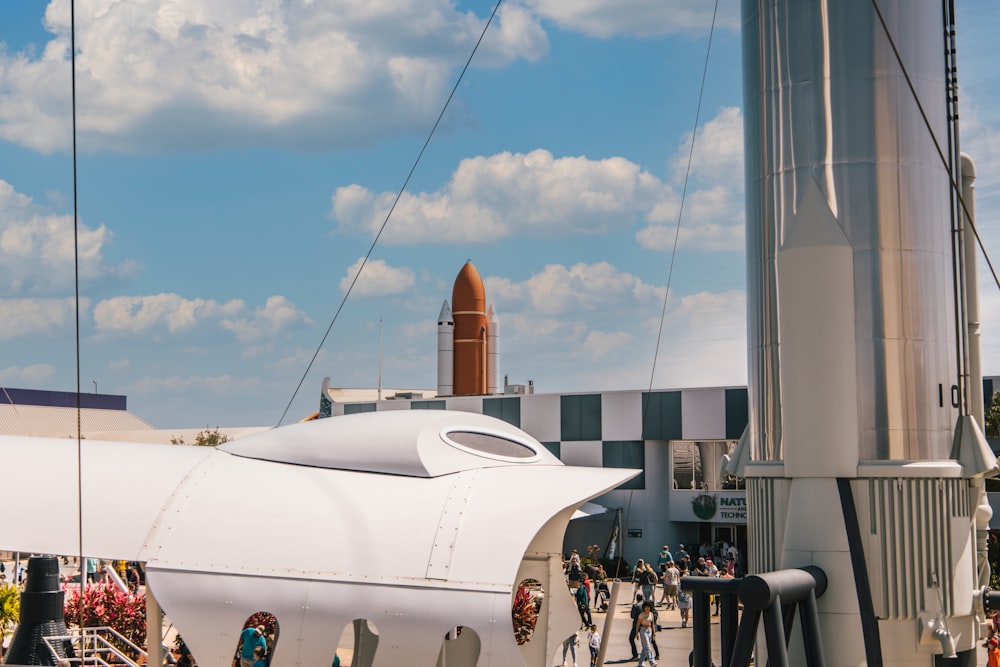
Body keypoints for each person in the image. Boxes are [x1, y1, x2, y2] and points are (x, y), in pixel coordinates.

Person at [634, 601, 657, 667]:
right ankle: (652, 662)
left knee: (645, 648)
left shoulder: (651, 614)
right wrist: (636, 633)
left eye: (648, 607)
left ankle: (640, 663)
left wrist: (654, 633)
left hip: (649, 630)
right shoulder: (641, 615)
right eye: (646, 607)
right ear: (644, 608)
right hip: (643, 630)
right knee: (647, 647)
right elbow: (638, 625)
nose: (647, 608)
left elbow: (652, 624)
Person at [628, 593, 644, 660]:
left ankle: (635, 654)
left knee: (631, 639)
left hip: (636, 624)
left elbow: (632, 616)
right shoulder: (645, 605)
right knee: (644, 640)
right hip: (644, 623)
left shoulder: (635, 606)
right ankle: (645, 654)